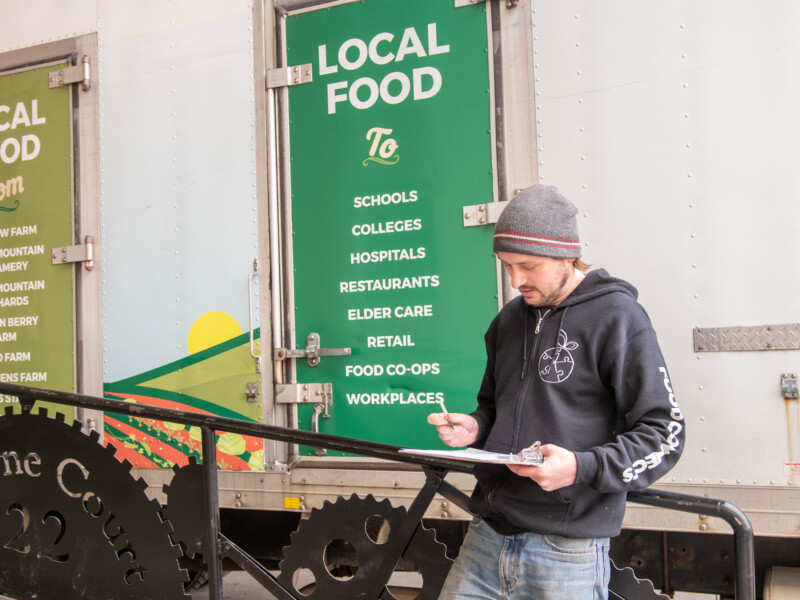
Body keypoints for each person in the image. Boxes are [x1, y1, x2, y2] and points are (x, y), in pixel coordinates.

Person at [428, 184, 685, 600]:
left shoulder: (618, 317)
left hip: (566, 553)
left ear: (567, 254)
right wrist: (474, 427)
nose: (515, 280)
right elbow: (493, 406)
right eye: (506, 264)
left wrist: (580, 468)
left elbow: (664, 433)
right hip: (486, 537)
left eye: (527, 265)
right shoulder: (508, 322)